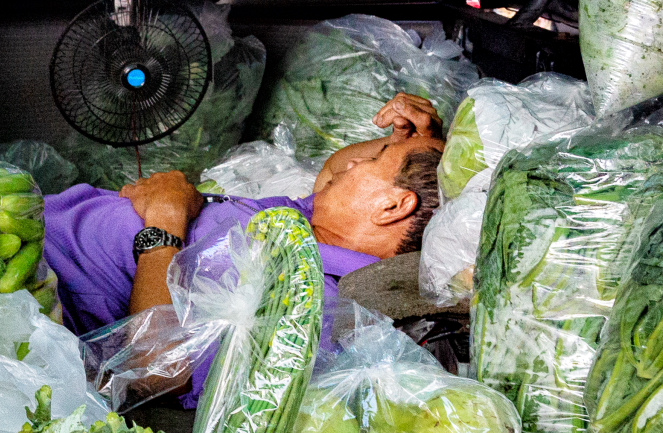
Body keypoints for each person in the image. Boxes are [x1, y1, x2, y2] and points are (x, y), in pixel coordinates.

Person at [45, 93, 445, 403]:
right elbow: (333, 170)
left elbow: (155, 371)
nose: (353, 164)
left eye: (374, 159)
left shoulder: (307, 297)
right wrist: (410, 139)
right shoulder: (315, 224)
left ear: (392, 206)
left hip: (41, 278)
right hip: (38, 222)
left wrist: (165, 220)